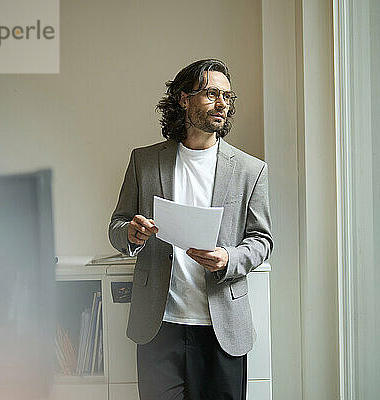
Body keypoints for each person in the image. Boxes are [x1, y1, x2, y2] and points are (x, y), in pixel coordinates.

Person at [108, 59, 273, 400]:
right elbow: (117, 225)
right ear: (184, 100)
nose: (222, 104)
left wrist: (228, 257)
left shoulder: (249, 170)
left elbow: (262, 240)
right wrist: (130, 234)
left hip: (221, 329)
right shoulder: (145, 161)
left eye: (227, 96)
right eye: (212, 93)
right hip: (159, 327)